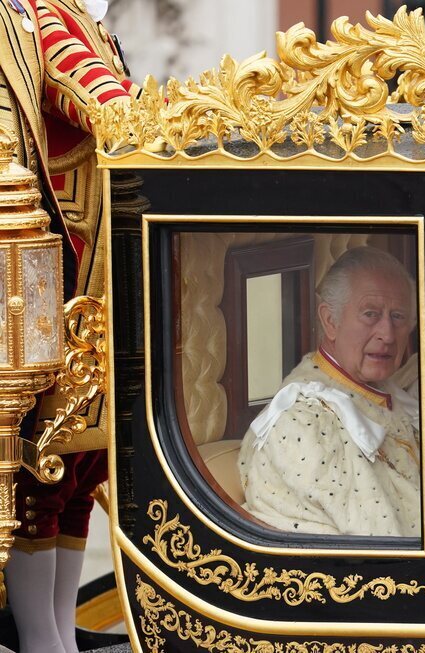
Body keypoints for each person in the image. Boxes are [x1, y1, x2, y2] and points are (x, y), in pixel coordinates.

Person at [0, 1, 139, 652]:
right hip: (54, 278)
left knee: (79, 470)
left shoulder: (88, 22)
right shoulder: (49, 16)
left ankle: (56, 630)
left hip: (94, 281)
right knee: (44, 466)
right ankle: (40, 634)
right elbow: (109, 107)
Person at [238, 246, 421, 537]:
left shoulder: (390, 394)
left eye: (398, 317)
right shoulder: (304, 425)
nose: (387, 334)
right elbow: (379, 546)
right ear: (330, 321)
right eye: (370, 314)